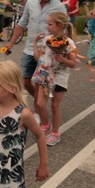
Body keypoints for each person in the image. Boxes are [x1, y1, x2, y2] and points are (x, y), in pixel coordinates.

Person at [3, 0, 67, 97]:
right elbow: (22, 24)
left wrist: (62, 49)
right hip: (30, 49)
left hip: (47, 52)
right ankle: (39, 101)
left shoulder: (59, 7)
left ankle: (39, 106)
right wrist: (11, 43)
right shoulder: (30, 3)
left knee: (40, 84)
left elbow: (64, 28)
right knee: (26, 81)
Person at [32, 12, 77, 146]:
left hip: (60, 77)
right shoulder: (47, 40)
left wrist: (62, 59)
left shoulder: (69, 43)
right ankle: (46, 124)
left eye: (50, 24)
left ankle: (55, 133)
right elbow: (38, 58)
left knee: (55, 106)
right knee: (40, 104)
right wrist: (35, 43)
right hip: (46, 75)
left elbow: (73, 64)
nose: (48, 27)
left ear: (59, 26)